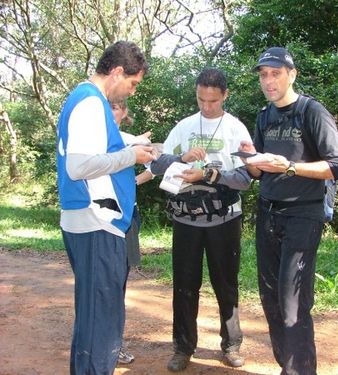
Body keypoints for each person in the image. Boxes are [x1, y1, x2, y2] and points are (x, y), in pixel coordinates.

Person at [239, 47, 338, 375]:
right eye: (263, 75)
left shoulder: (312, 112)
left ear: (292, 75)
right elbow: (258, 172)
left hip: (303, 214)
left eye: (275, 73)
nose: (268, 81)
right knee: (270, 299)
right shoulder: (264, 116)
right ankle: (289, 367)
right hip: (267, 213)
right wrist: (251, 159)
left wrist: (289, 167)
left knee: (293, 303)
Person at [56, 41, 154, 375]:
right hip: (96, 220)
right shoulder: (90, 103)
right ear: (116, 72)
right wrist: (133, 156)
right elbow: (78, 166)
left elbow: (95, 152)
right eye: (133, 83)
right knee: (103, 322)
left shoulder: (86, 100)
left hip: (89, 219)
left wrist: (131, 145)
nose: (132, 90)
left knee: (93, 318)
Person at [150, 67, 252, 372]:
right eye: (200, 100)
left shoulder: (236, 129)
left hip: (225, 218)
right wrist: (181, 159)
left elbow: (247, 177)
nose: (206, 106)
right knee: (184, 284)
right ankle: (183, 347)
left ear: (225, 96)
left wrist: (210, 174)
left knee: (226, 284)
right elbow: (157, 163)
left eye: (212, 101)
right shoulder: (183, 127)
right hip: (187, 220)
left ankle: (231, 344)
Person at [110, 99, 157, 364]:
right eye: (111, 108)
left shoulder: (128, 137)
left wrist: (133, 182)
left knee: (120, 281)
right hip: (102, 218)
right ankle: (107, 344)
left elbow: (154, 163)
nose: (115, 112)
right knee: (107, 282)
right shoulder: (96, 136)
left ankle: (115, 343)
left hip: (128, 216)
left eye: (119, 108)